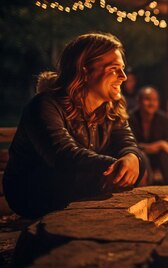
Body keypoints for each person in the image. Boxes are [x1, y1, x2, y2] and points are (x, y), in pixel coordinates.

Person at [2, 33, 146, 218]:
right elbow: (64, 155)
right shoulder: (45, 105)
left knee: (140, 164)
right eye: (114, 69)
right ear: (85, 71)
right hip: (37, 196)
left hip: (81, 190)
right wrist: (116, 167)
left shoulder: (112, 108)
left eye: (122, 69)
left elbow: (127, 144)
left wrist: (132, 158)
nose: (123, 77)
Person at [128, 86, 168, 185]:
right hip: (139, 157)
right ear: (139, 101)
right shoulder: (130, 119)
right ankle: (145, 191)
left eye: (154, 100)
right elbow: (129, 143)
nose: (151, 103)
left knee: (166, 155)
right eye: (147, 99)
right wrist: (157, 145)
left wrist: (161, 145)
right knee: (142, 157)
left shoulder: (163, 119)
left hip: (157, 157)